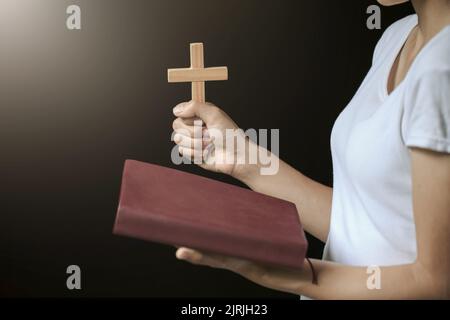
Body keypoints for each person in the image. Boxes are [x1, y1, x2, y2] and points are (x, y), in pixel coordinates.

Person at [171, 0, 450, 299]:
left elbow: (435, 283)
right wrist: (242, 159)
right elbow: (361, 222)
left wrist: (296, 275)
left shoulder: (441, 67)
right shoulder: (398, 36)